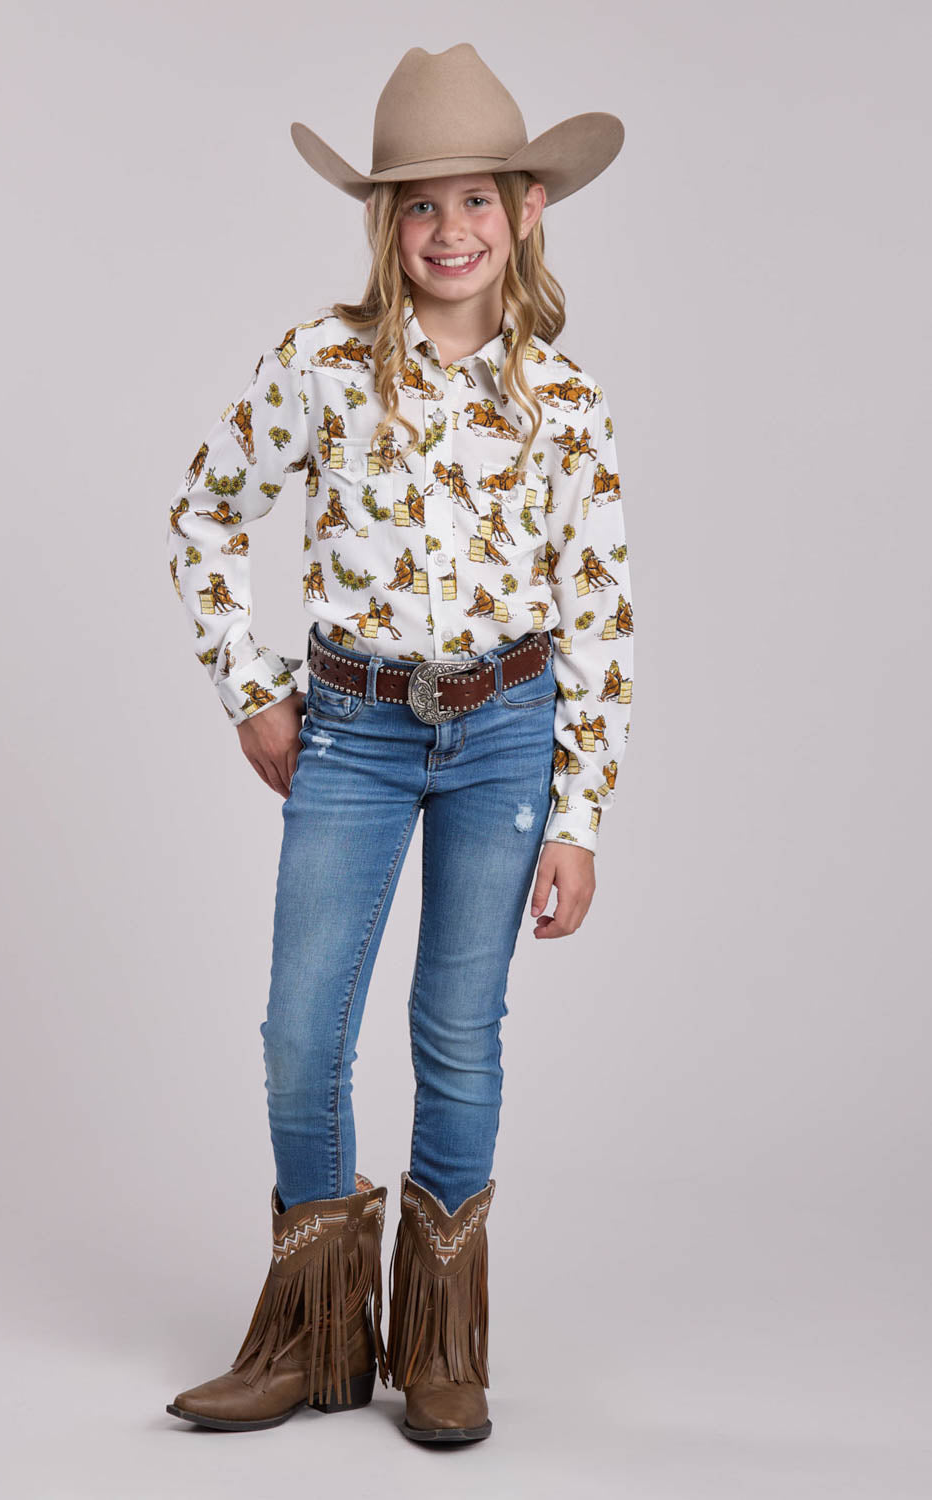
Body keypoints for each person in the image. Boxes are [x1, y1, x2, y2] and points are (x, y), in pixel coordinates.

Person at [163, 43, 633, 1445]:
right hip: (355, 732)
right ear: (385, 222)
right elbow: (204, 514)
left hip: (506, 734)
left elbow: (600, 614)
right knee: (302, 1028)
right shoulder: (318, 365)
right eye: (418, 205)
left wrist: (578, 818)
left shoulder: (565, 405)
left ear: (526, 212)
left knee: (457, 1032)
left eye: (475, 200)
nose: (448, 230)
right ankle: (313, 1340)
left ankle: (439, 1346)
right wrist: (252, 689)